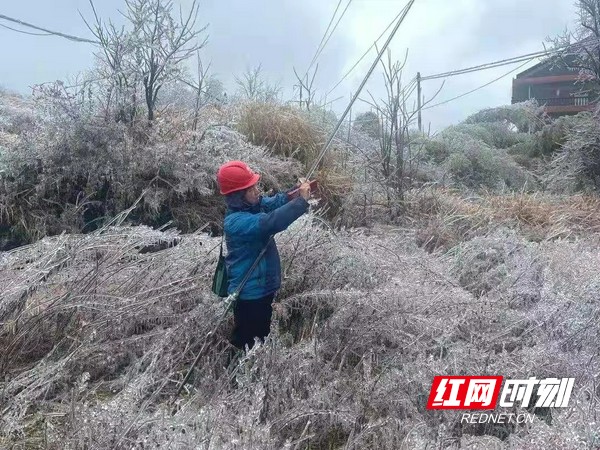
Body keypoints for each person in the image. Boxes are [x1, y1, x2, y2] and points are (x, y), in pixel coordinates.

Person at [216, 161, 311, 350]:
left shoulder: (252, 206)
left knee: (261, 338)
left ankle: (252, 371)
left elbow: (275, 202)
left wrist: (296, 191)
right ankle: (233, 374)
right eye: (251, 188)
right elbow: (270, 223)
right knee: (246, 342)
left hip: (263, 289)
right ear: (238, 195)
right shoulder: (235, 222)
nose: (257, 191)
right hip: (250, 294)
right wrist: (301, 202)